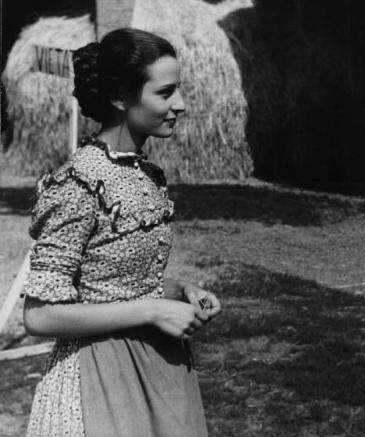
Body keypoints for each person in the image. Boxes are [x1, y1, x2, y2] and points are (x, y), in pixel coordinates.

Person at [23, 28, 221, 437]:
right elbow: (40, 315)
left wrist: (179, 290)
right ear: (119, 97)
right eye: (165, 93)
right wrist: (152, 311)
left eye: (178, 90)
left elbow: (113, 280)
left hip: (160, 368)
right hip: (100, 377)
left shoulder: (147, 175)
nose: (180, 105)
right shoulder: (79, 184)